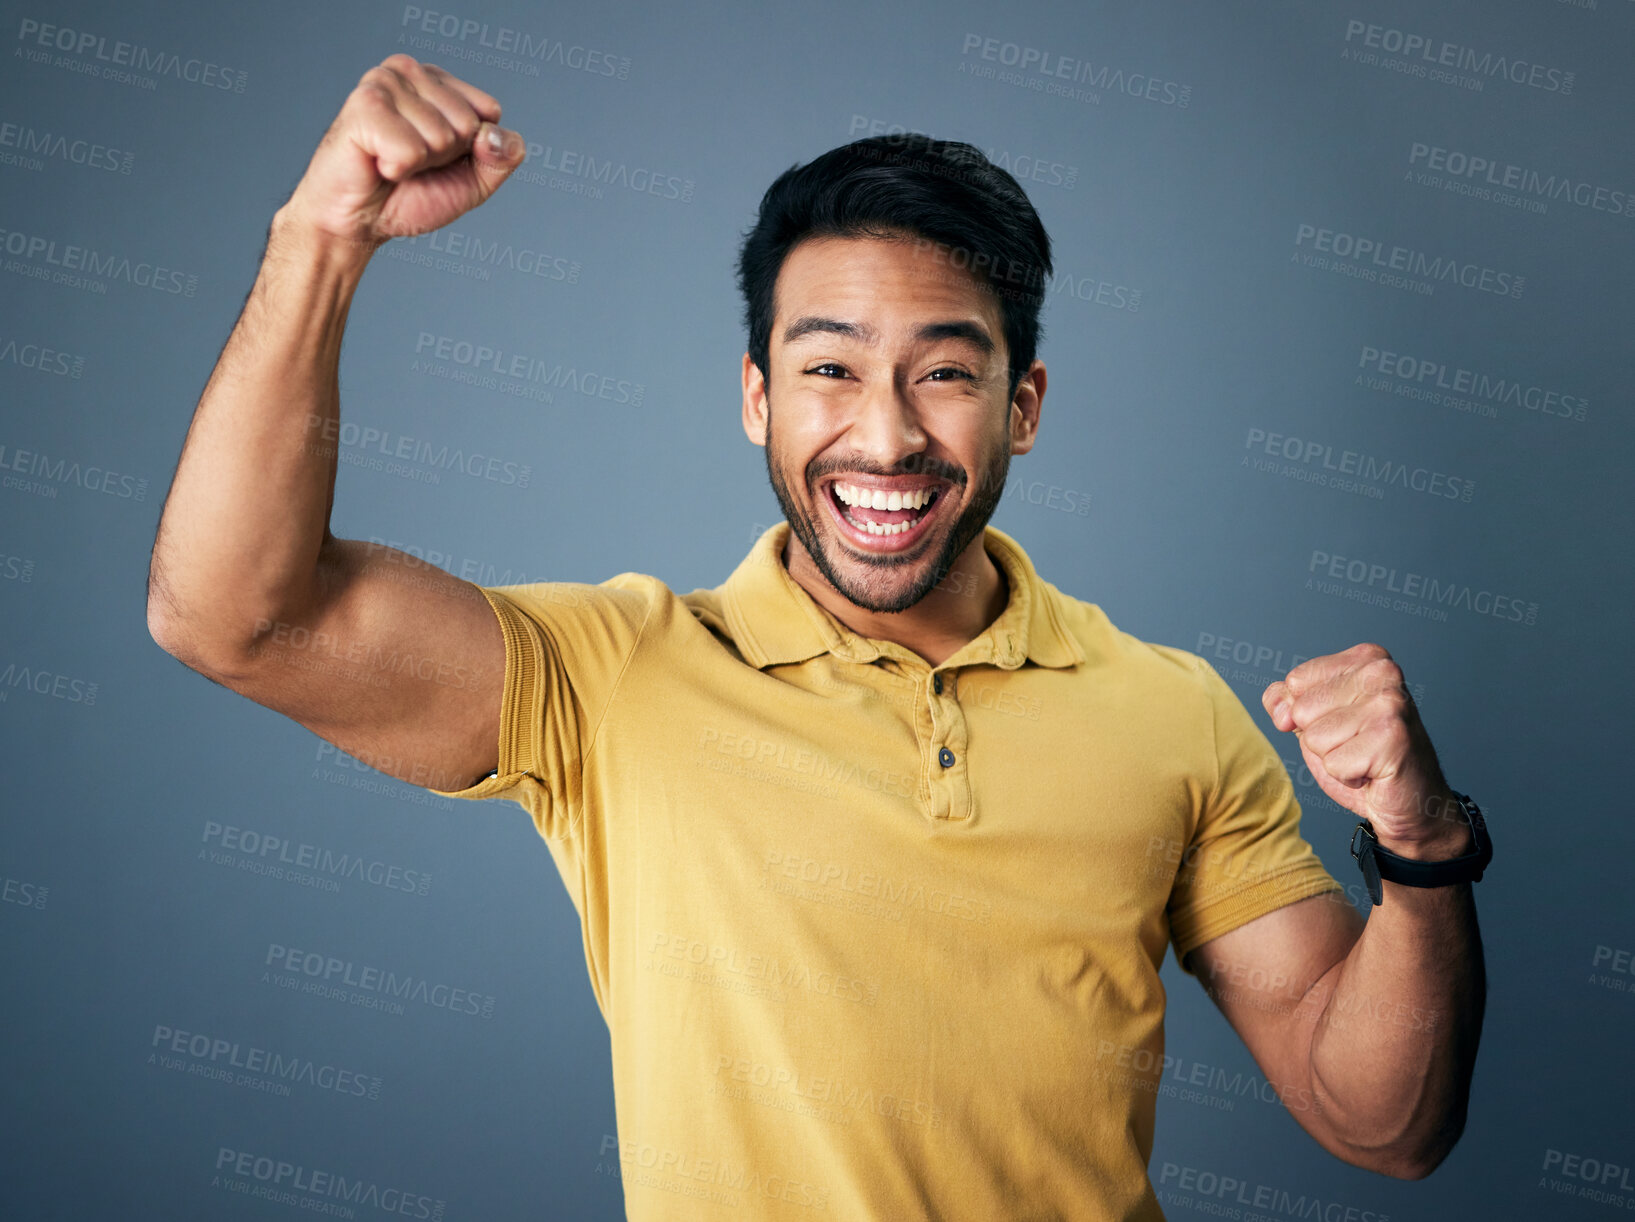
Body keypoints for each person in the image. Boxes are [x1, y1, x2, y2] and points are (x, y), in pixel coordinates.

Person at [147, 54, 1487, 1222]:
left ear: (1023, 405)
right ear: (757, 397)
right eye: (831, 367)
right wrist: (322, 236)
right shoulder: (611, 678)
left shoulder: (1173, 712)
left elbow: (1380, 1121)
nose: (889, 435)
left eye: (946, 371)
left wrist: (1422, 850)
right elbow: (232, 613)